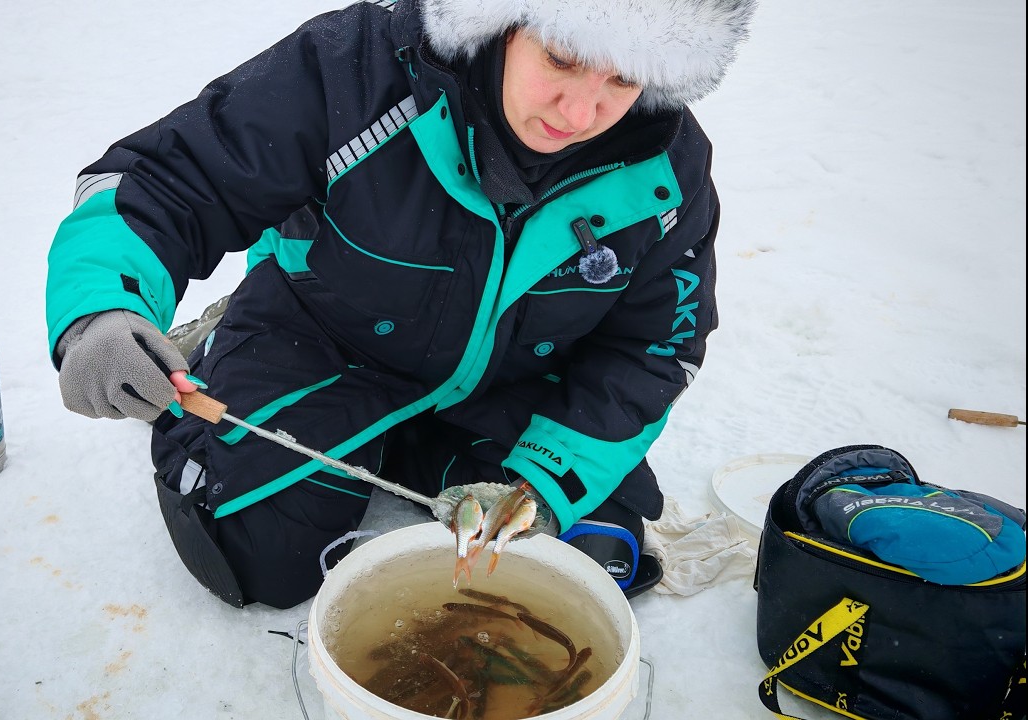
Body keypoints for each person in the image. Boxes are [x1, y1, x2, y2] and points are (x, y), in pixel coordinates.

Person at [47, 0, 756, 609]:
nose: (580, 110)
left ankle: (414, 442)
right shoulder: (352, 67)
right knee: (257, 549)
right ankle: (222, 349)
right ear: (504, 21)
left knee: (590, 555)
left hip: (507, 380)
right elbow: (171, 178)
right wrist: (101, 311)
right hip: (323, 333)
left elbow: (655, 347)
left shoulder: (668, 168)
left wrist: (539, 482)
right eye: (564, 56)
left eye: (623, 78)